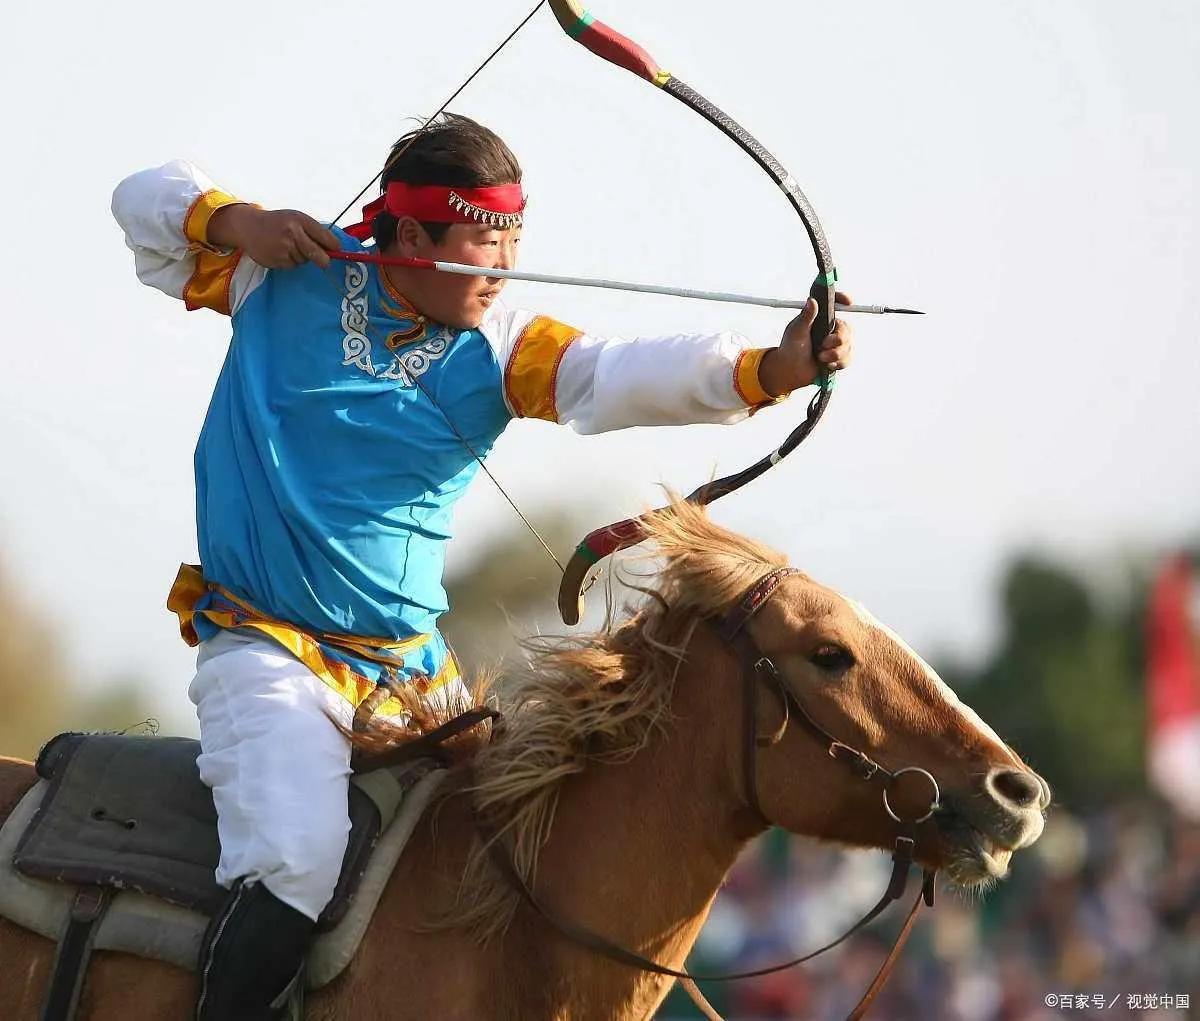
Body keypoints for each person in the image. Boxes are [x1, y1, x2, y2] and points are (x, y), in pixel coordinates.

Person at [111, 112, 854, 1019]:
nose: (500, 269)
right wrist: (239, 220)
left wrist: (774, 367)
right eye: (480, 243)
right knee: (294, 863)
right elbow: (142, 197)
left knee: (516, 866)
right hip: (269, 652)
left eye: (512, 242)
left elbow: (612, 372)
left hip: (414, 675)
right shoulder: (279, 273)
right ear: (410, 233)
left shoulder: (504, 348)